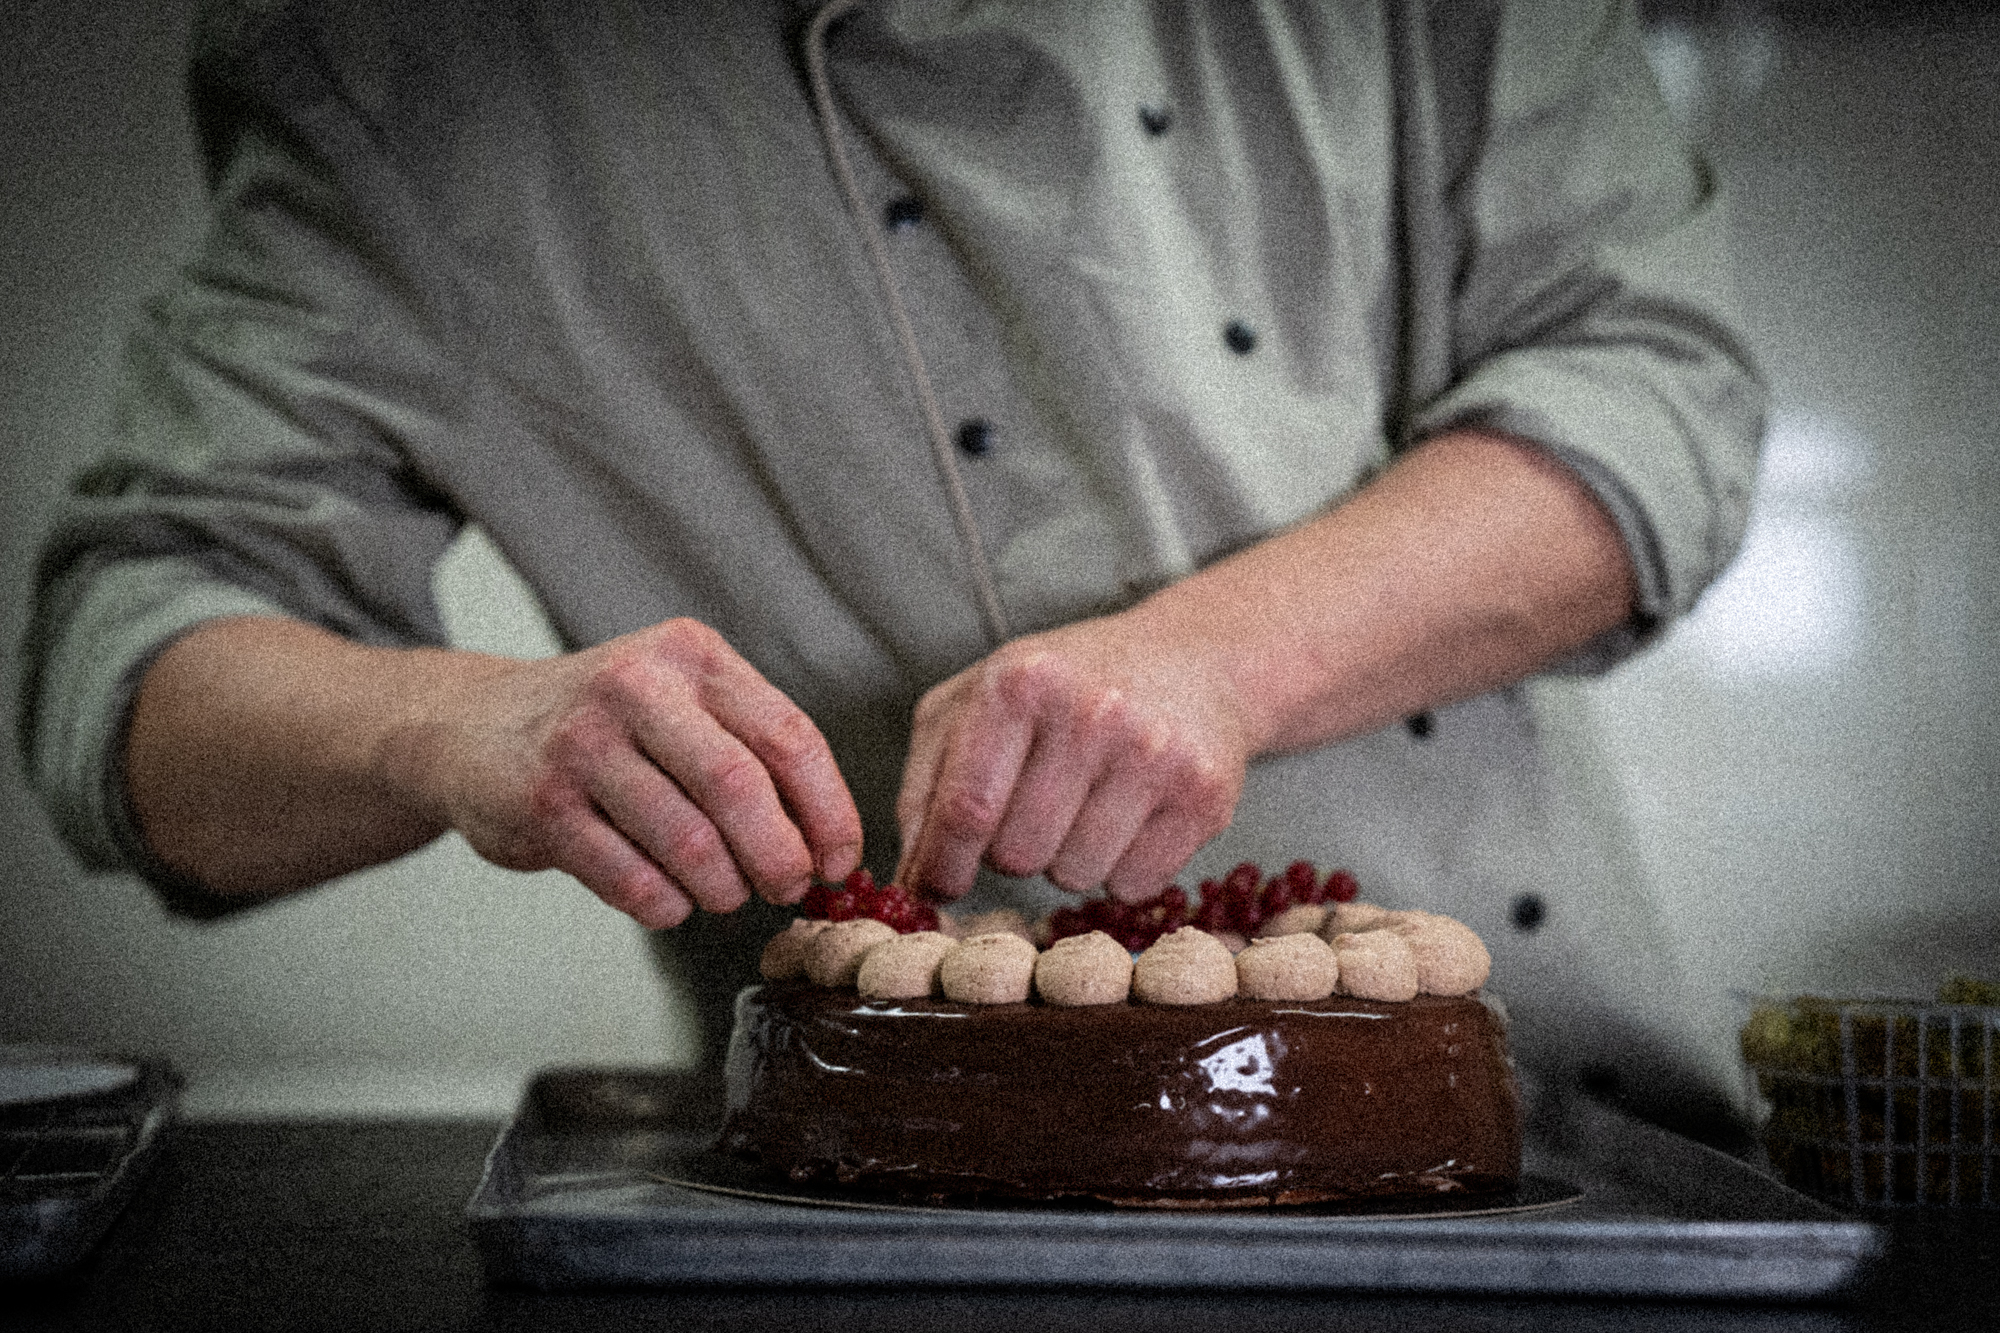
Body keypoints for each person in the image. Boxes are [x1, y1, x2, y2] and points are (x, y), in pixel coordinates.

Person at [20, 0, 1763, 1139]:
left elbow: (1658, 386)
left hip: (1548, 1130)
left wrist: (1221, 660)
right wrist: (454, 725)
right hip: (869, 1212)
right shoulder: (409, 65)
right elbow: (127, 655)